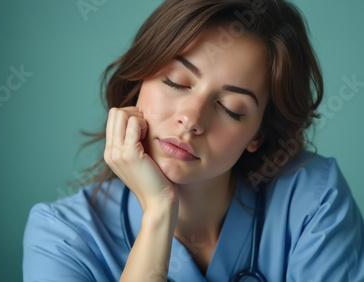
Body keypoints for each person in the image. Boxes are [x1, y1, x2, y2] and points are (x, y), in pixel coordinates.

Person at [23, 0, 364, 281]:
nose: (191, 119)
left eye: (231, 108)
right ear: (140, 80)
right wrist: (158, 212)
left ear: (258, 136)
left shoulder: (314, 199)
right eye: (175, 81)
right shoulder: (61, 237)